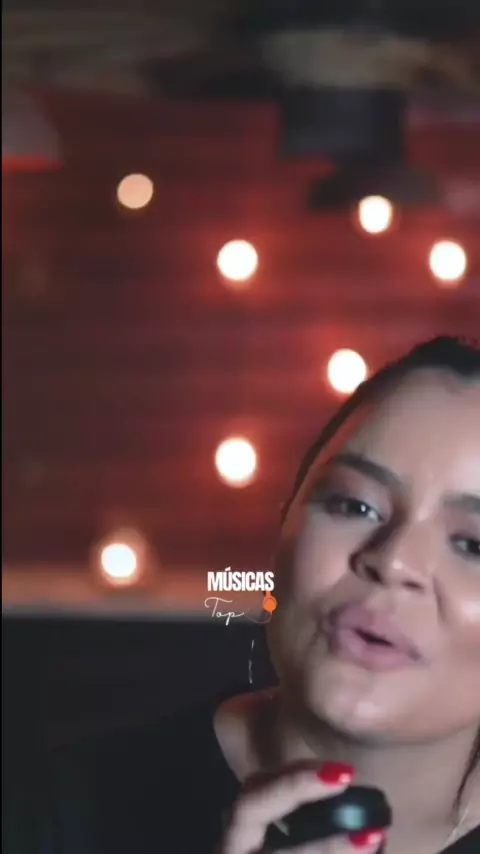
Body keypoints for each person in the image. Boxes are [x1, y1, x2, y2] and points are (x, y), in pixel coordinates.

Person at [44, 335, 479, 854]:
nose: (393, 561)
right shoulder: (47, 813)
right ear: (285, 518)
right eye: (354, 506)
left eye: (472, 544)